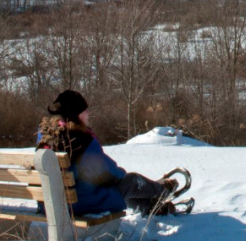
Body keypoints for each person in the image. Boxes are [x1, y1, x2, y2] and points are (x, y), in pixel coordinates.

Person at [37, 89, 177, 216]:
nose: (88, 113)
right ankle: (163, 190)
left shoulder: (46, 137)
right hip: (78, 204)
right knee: (131, 181)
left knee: (114, 189)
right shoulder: (82, 141)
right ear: (76, 114)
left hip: (50, 203)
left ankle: (148, 207)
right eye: (84, 111)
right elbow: (113, 173)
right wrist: (122, 175)